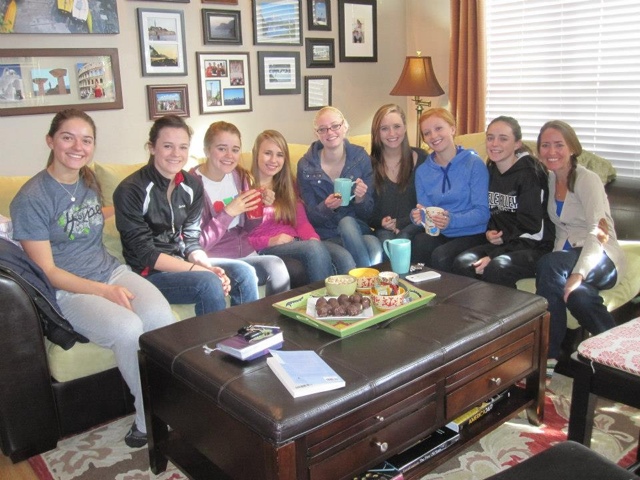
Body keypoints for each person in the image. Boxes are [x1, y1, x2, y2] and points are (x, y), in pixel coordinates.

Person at [9, 109, 175, 448]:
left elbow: (87, 217)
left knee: (160, 317)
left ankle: (175, 406)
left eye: (86, 140)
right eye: (68, 137)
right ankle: (148, 419)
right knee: (127, 328)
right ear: (50, 141)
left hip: (111, 270)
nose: (77, 147)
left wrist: (128, 212)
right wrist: (103, 291)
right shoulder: (31, 198)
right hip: (67, 292)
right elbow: (48, 272)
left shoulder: (86, 180)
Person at [113, 114, 256, 314]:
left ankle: (248, 332)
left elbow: (191, 241)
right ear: (152, 148)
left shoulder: (191, 186)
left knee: (244, 272)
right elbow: (146, 254)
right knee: (208, 283)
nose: (176, 154)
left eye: (183, 147)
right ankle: (214, 335)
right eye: (168, 146)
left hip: (185, 262)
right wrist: (201, 271)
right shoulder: (131, 190)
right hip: (150, 273)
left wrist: (206, 266)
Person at [534, 120, 626, 368]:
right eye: (545, 145)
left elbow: (599, 231)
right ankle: (617, 353)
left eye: (559, 145)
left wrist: (578, 273)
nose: (551, 151)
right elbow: (561, 231)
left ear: (572, 148)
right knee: (579, 298)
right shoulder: (551, 179)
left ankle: (549, 356)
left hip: (602, 256)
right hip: (567, 258)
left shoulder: (588, 180)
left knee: (550, 264)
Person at [451, 116, 554, 287]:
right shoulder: (491, 168)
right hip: (504, 244)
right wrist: (489, 232)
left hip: (533, 246)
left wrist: (495, 254)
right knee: (463, 263)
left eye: (503, 139)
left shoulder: (530, 174)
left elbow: (533, 230)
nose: (494, 144)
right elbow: (491, 210)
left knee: (496, 267)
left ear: (517, 144)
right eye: (490, 138)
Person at [191, 121, 291, 296]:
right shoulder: (191, 185)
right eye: (222, 148)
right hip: (216, 259)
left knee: (277, 267)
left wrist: (260, 206)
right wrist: (228, 213)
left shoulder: (240, 176)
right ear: (207, 150)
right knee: (251, 273)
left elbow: (250, 228)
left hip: (246, 253)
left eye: (235, 150)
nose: (229, 155)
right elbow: (197, 244)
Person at [247, 130, 355, 282]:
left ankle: (347, 297)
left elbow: (301, 222)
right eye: (267, 153)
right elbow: (238, 236)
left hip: (296, 242)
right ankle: (322, 297)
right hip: (267, 247)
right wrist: (270, 241)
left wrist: (312, 238)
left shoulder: (287, 185)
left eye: (280, 155)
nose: (273, 160)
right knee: (313, 249)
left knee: (343, 257)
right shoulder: (245, 186)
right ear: (256, 153)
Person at [297, 106, 382, 268]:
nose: (330, 132)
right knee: (355, 250)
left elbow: (368, 214)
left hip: (356, 230)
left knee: (371, 242)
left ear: (345, 127)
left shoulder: (360, 158)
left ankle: (364, 279)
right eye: (323, 129)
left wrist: (361, 198)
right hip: (326, 233)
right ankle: (366, 278)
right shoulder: (306, 165)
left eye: (335, 126)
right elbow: (309, 216)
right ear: (317, 133)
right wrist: (326, 207)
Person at [410, 107, 490, 271]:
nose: (433, 136)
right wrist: (418, 216)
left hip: (472, 232)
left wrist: (451, 220)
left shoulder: (474, 163)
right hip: (441, 233)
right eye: (427, 133)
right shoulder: (422, 172)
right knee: (419, 242)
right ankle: (419, 286)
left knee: (441, 255)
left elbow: (483, 213)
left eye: (438, 128)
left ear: (452, 129)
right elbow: (426, 211)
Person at [369, 104, 427, 247]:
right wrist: (381, 222)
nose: (392, 133)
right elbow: (366, 211)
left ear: (405, 127)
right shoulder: (369, 164)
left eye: (397, 126)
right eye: (384, 128)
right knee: (386, 246)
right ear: (377, 132)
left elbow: (430, 201)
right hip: (384, 230)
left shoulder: (422, 158)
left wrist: (401, 223)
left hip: (416, 226)